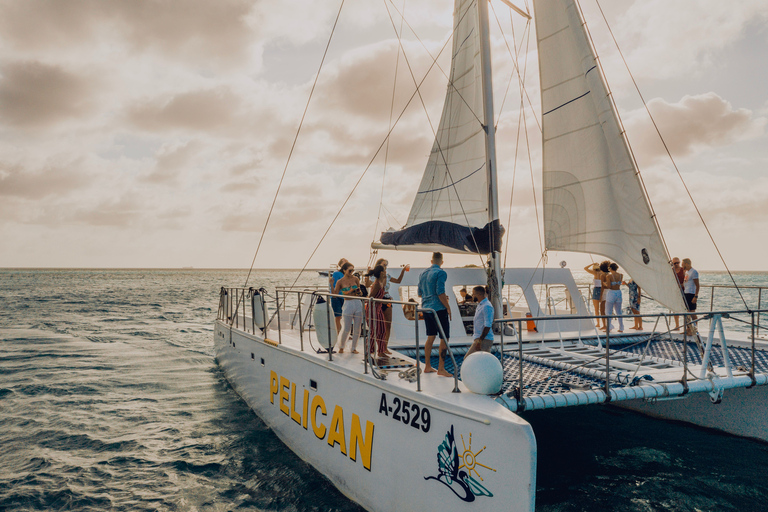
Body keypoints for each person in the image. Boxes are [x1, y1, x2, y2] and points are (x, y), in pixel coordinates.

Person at [417, 252, 452, 377]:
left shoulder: (423, 273)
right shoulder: (441, 273)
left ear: (431, 261)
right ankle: (441, 368)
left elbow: (420, 293)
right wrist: (448, 307)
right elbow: (440, 292)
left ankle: (427, 366)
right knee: (444, 338)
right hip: (438, 309)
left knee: (430, 337)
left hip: (426, 309)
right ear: (442, 262)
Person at [365, 258, 409, 355]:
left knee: (385, 327)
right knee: (376, 329)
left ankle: (383, 349)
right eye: (384, 265)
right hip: (377, 304)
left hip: (384, 301)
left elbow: (398, 281)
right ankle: (372, 350)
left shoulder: (384, 278)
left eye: (386, 265)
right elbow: (369, 291)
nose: (386, 267)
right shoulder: (376, 280)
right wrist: (367, 274)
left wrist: (402, 272)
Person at [333, 262, 363, 354]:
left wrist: (358, 292)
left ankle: (353, 348)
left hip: (357, 302)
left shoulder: (356, 279)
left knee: (357, 327)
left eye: (353, 270)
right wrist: (331, 284)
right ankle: (341, 346)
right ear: (345, 270)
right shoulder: (340, 281)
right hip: (348, 303)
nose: (351, 272)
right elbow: (334, 295)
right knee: (346, 327)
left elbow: (360, 292)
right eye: (350, 270)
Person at [465, 286, 494, 357]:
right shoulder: (480, 305)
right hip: (479, 338)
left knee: (468, 358)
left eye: (473, 294)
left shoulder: (486, 306)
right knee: (478, 361)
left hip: (484, 340)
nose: (472, 296)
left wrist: (480, 341)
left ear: (479, 294)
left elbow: (488, 325)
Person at [366, 265, 387, 357]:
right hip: (373, 309)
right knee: (374, 330)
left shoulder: (381, 283)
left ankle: (381, 350)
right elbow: (371, 297)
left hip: (378, 308)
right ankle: (369, 350)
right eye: (384, 270)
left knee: (382, 329)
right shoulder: (377, 284)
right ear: (382, 272)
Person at [602, 262, 624, 333]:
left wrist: (604, 283)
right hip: (619, 292)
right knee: (619, 311)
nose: (608, 269)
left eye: (609, 268)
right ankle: (621, 328)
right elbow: (619, 283)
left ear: (611, 268)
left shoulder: (609, 276)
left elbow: (609, 286)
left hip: (611, 293)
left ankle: (609, 327)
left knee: (608, 311)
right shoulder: (621, 275)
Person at [682, 258, 700, 335]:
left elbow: (697, 285)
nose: (682, 266)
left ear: (687, 264)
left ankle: (695, 329)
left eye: (683, 264)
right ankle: (688, 329)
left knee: (692, 312)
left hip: (691, 294)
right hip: (686, 293)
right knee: (687, 313)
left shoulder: (694, 272)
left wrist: (695, 296)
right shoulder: (687, 272)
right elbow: (685, 283)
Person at [329, 258, 348, 332]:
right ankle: (338, 333)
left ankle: (344, 332)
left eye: (346, 262)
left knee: (345, 316)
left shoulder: (347, 274)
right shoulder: (336, 273)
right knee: (338, 316)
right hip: (336, 297)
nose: (345, 263)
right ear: (340, 264)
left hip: (345, 297)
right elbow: (334, 285)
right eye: (343, 262)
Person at [584, 263, 604, 329]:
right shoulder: (602, 273)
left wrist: (592, 263)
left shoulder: (595, 273)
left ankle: (598, 323)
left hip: (596, 290)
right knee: (603, 308)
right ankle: (604, 323)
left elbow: (585, 268)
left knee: (596, 308)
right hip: (602, 290)